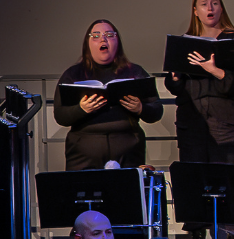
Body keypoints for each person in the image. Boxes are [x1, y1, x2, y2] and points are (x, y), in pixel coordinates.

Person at [56, 19, 164, 169]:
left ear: (117, 42)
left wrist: (140, 108)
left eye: (109, 35)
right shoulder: (73, 75)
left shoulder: (135, 72)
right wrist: (81, 109)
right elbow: (60, 116)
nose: (103, 39)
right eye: (96, 35)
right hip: (84, 156)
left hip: (128, 153)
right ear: (88, 43)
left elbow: (157, 110)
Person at [164, 0, 234, 164]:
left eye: (215, 4)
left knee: (225, 180)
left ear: (221, 9)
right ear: (195, 11)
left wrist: (215, 71)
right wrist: (175, 78)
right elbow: (173, 86)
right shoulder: (185, 42)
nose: (210, 8)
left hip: (226, 125)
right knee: (195, 182)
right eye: (204, 4)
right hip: (192, 124)